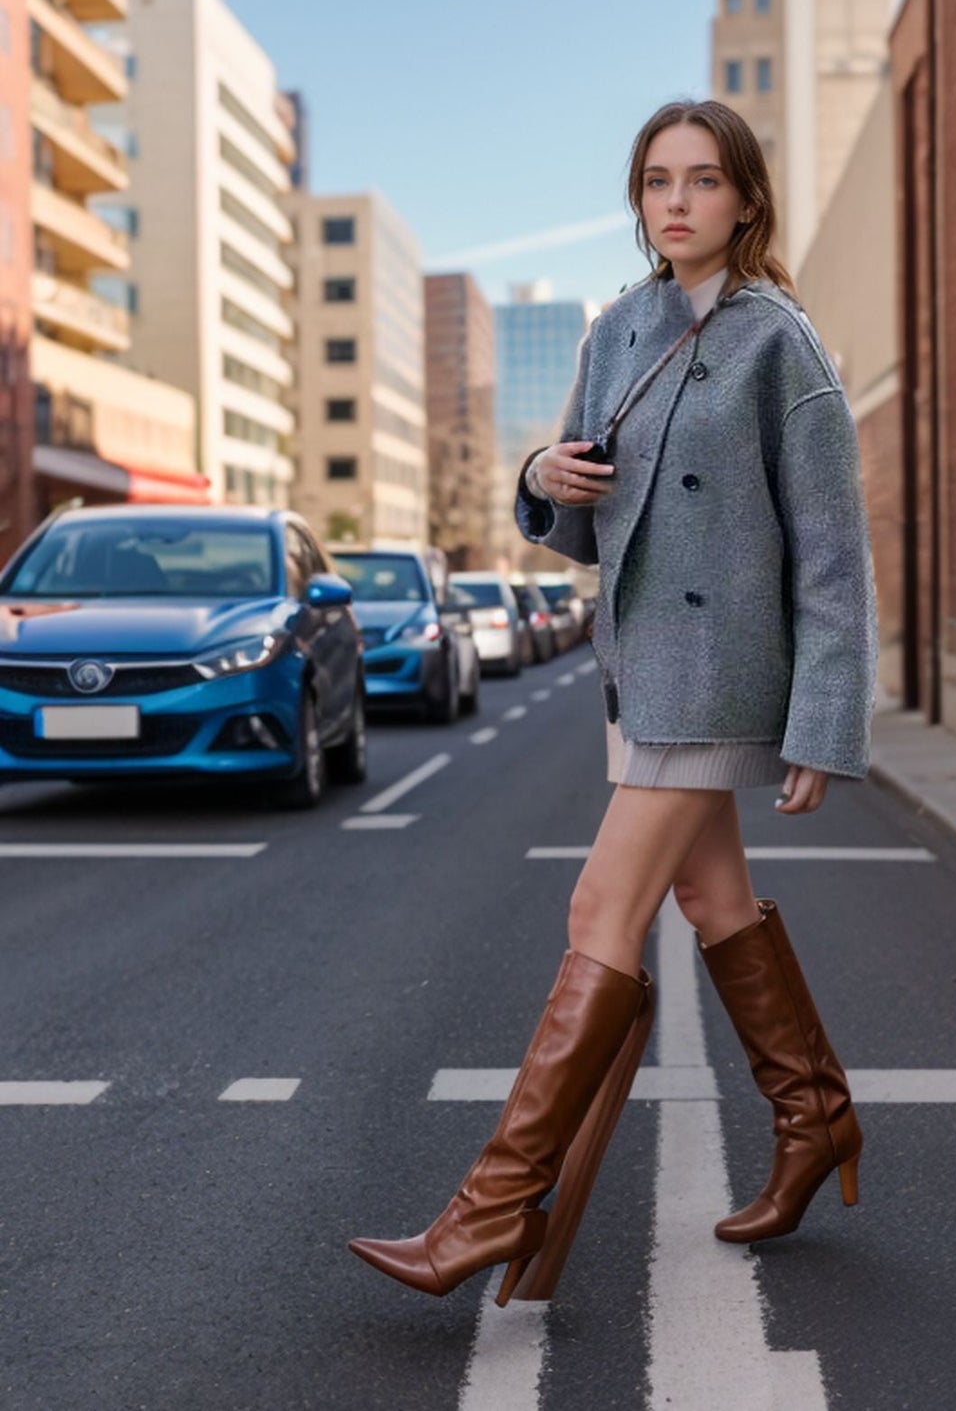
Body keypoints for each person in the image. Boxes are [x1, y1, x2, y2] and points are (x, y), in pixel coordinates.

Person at [348, 98, 878, 1305]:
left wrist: (824, 717)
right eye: (655, 181)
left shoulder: (776, 344)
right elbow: (591, 526)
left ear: (745, 198)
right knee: (709, 892)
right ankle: (817, 1120)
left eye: (701, 179)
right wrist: (540, 478)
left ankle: (491, 1209)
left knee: (601, 899)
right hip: (637, 666)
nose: (676, 200)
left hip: (721, 670)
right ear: (638, 200)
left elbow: (831, 551)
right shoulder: (618, 329)